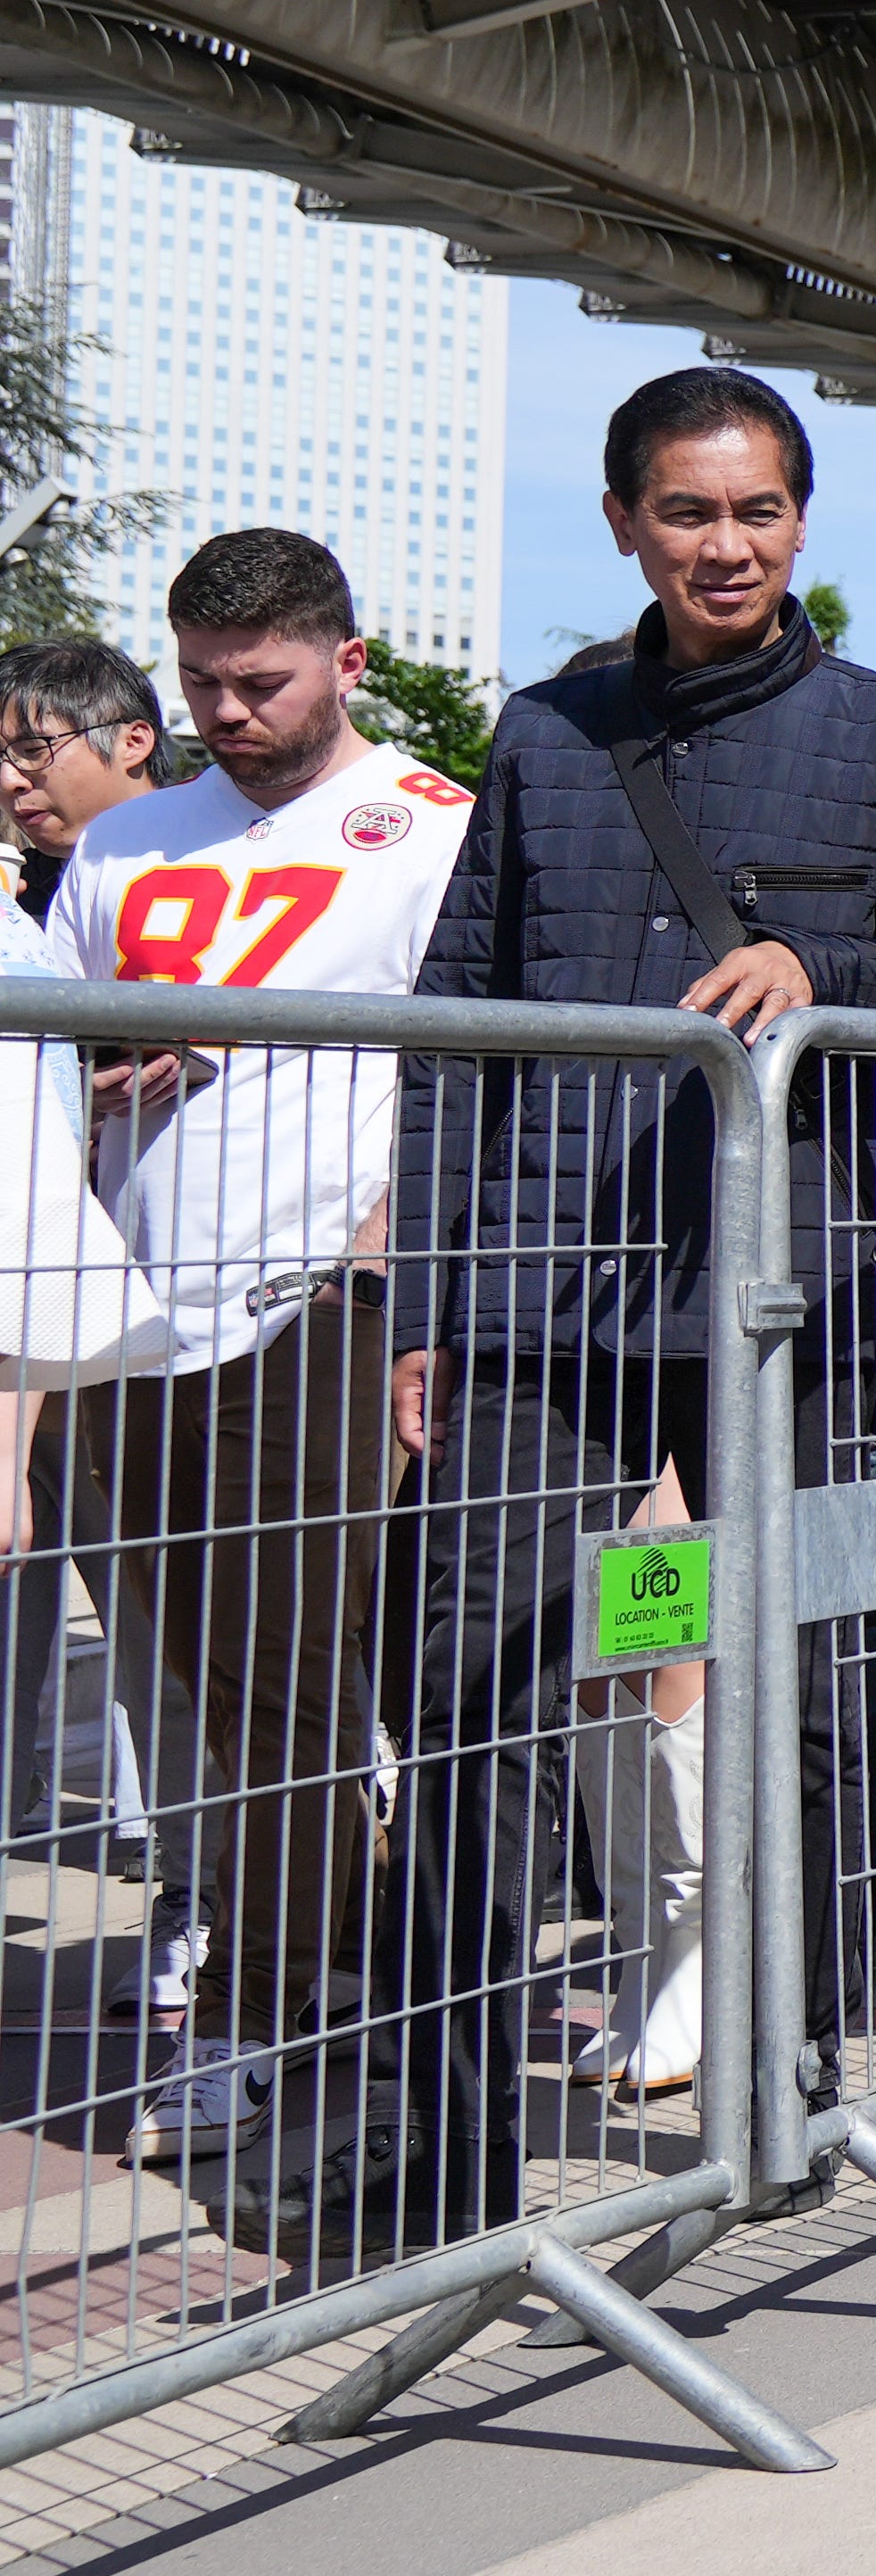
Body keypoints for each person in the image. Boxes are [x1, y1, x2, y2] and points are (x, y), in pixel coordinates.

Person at [373, 369, 876, 2249]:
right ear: (625, 521)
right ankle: (449, 2135)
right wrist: (432, 1291)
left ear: (803, 521)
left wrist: (827, 961)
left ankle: (782, 2075)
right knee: (477, 1679)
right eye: (687, 512)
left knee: (805, 1678)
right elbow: (451, 1018)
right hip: (545, 1300)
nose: (725, 545)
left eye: (758, 511)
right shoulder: (545, 734)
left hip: (796, 1307)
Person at [54, 533, 467, 2180]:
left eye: (263, 681)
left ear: (347, 664)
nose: (227, 710)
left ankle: (261, 2008)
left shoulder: (435, 830)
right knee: (205, 1696)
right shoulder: (126, 840)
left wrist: (396, 1256)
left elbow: (476, 1073)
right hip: (118, 1314)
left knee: (282, 1697)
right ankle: (336, 1969)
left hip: (324, 1311)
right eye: (203, 681)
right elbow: (43, 1069)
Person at [1, 639, 165, 916]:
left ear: (132, 743)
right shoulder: (18, 895)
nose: (8, 781)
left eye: (33, 750)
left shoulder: (225, 866)